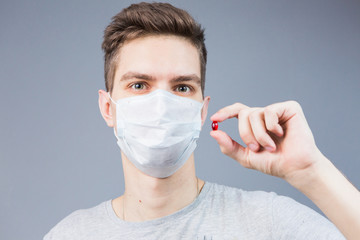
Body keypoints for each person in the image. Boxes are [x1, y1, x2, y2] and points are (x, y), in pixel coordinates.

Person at [44, 2, 360, 240]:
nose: (161, 105)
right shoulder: (71, 234)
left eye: (182, 87)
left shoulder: (267, 224)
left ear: (202, 110)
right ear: (108, 107)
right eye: (139, 85)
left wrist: (311, 171)